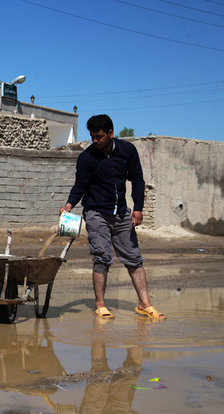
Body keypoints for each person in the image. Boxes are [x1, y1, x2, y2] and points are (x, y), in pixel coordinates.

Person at [60, 114, 165, 320]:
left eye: (98, 137)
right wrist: (69, 204)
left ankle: (145, 304)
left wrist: (138, 208)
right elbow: (80, 185)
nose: (95, 141)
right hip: (96, 213)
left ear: (110, 133)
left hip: (121, 213)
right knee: (102, 258)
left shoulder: (127, 151)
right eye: (92, 137)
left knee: (133, 257)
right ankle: (100, 305)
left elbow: (137, 180)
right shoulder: (87, 157)